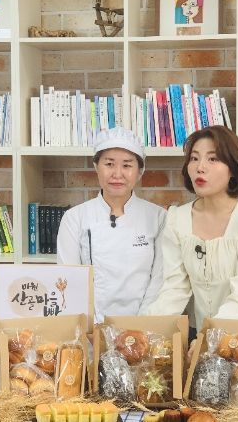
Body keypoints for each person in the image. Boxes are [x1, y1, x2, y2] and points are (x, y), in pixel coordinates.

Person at [145, 125, 238, 330]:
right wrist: (143, 329)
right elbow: (174, 289)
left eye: (213, 159)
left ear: (233, 168)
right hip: (204, 339)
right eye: (194, 158)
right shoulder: (176, 219)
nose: (200, 167)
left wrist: (209, 337)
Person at [57, 127, 166, 324]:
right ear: (96, 167)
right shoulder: (74, 218)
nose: (117, 174)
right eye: (109, 164)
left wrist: (139, 327)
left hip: (144, 329)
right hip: (90, 331)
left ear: (139, 171)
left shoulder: (158, 217)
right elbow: (69, 281)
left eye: (127, 165)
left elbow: (159, 280)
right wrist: (94, 329)